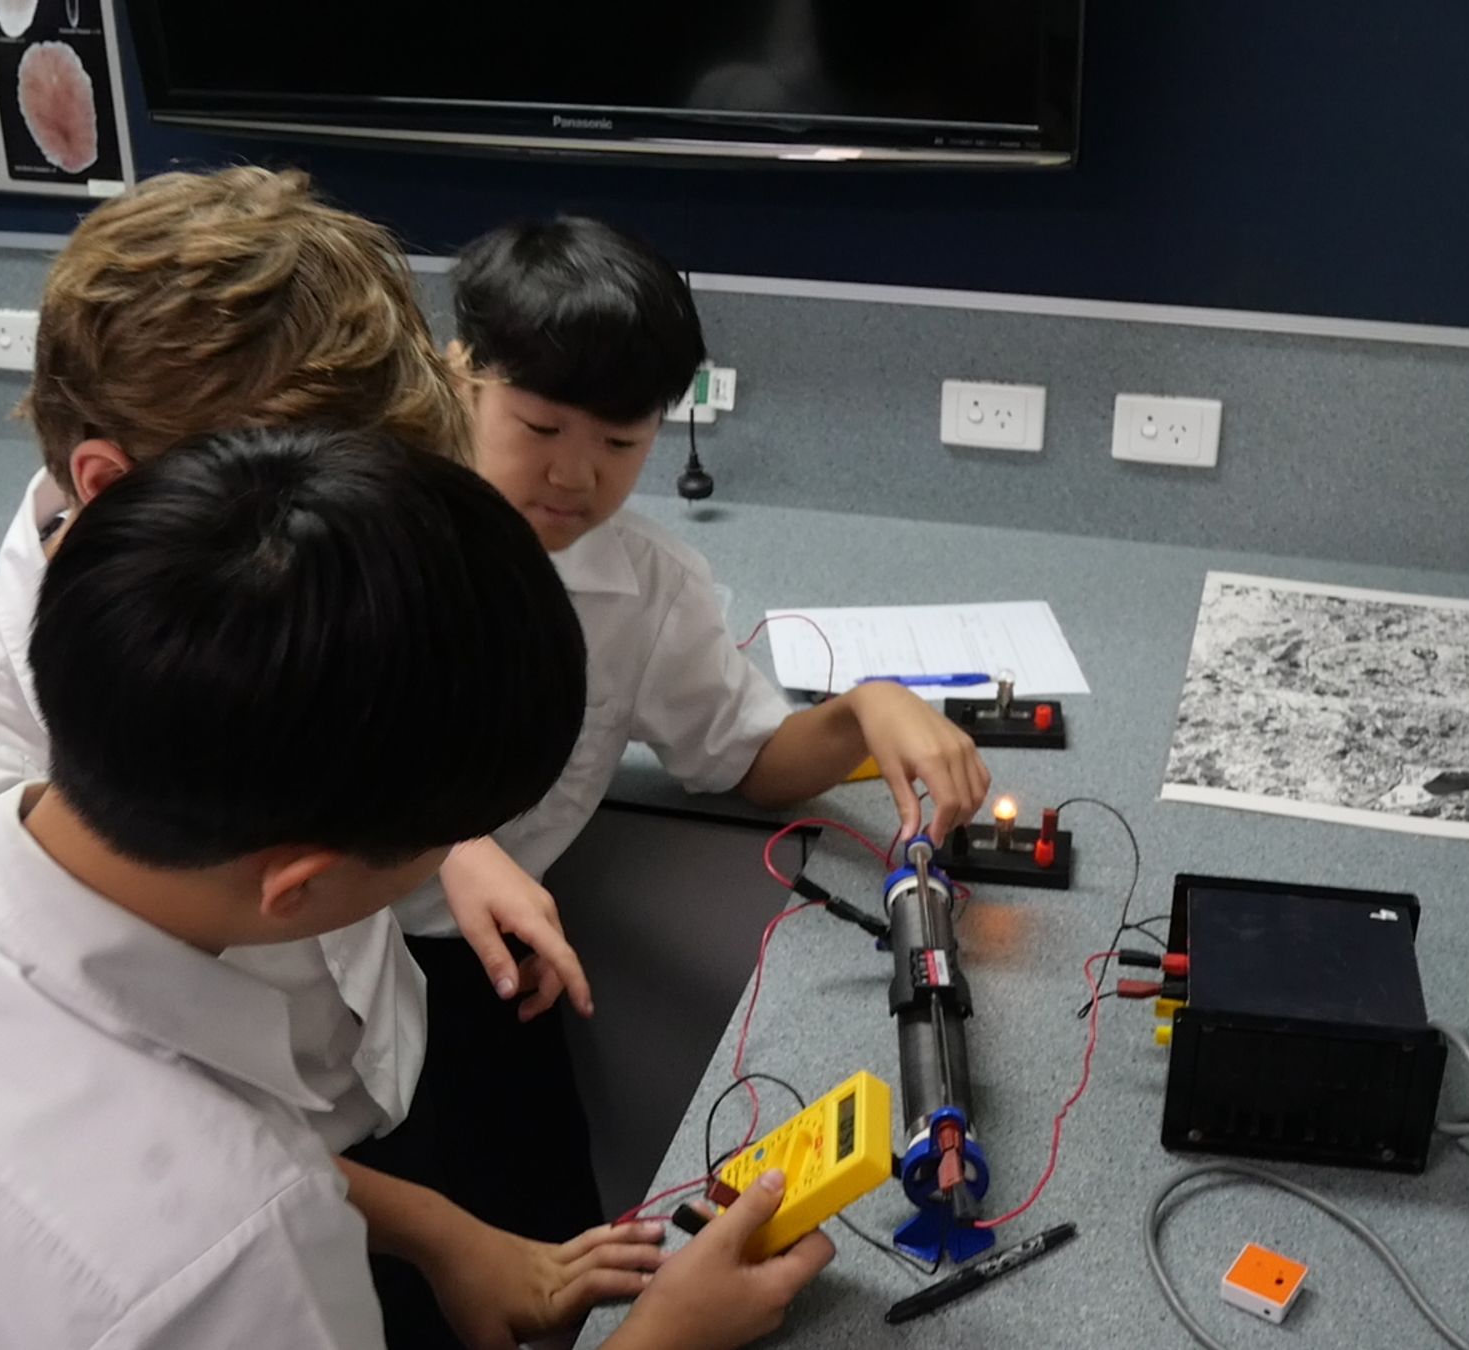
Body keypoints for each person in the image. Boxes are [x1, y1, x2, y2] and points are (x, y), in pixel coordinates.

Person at [0, 427, 833, 1350]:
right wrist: (663, 1338)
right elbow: (205, 1224)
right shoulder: (232, 1259)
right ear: (299, 888)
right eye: (448, 841)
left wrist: (437, 1229)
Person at [0, 166, 598, 1341]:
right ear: (111, 486)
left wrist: (438, 827)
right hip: (266, 1191)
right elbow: (87, 1148)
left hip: (354, 1097)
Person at [352, 215, 992, 1259]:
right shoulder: (356, 532)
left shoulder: (642, 588)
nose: (576, 476)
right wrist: (446, 843)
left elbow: (746, 760)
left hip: (491, 981)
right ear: (462, 376)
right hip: (316, 958)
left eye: (620, 444)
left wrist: (863, 709)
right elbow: (288, 753)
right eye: (541, 428)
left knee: (549, 1249)